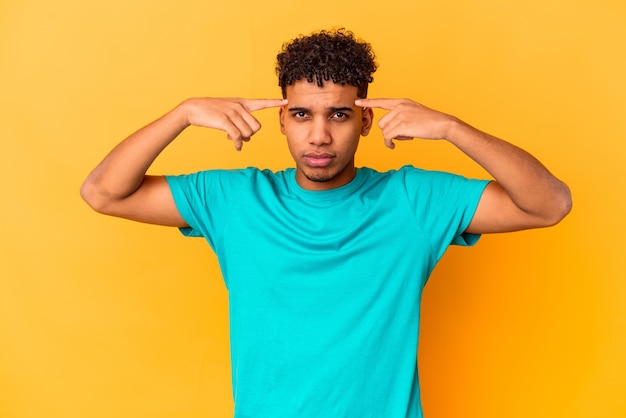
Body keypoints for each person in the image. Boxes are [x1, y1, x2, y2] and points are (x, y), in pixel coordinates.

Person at [80, 29, 571, 417]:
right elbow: (102, 192)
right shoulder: (235, 198)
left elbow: (549, 204)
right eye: (300, 114)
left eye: (338, 114)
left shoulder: (413, 199)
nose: (319, 136)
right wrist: (182, 114)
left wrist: (452, 129)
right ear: (281, 120)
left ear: (365, 121)